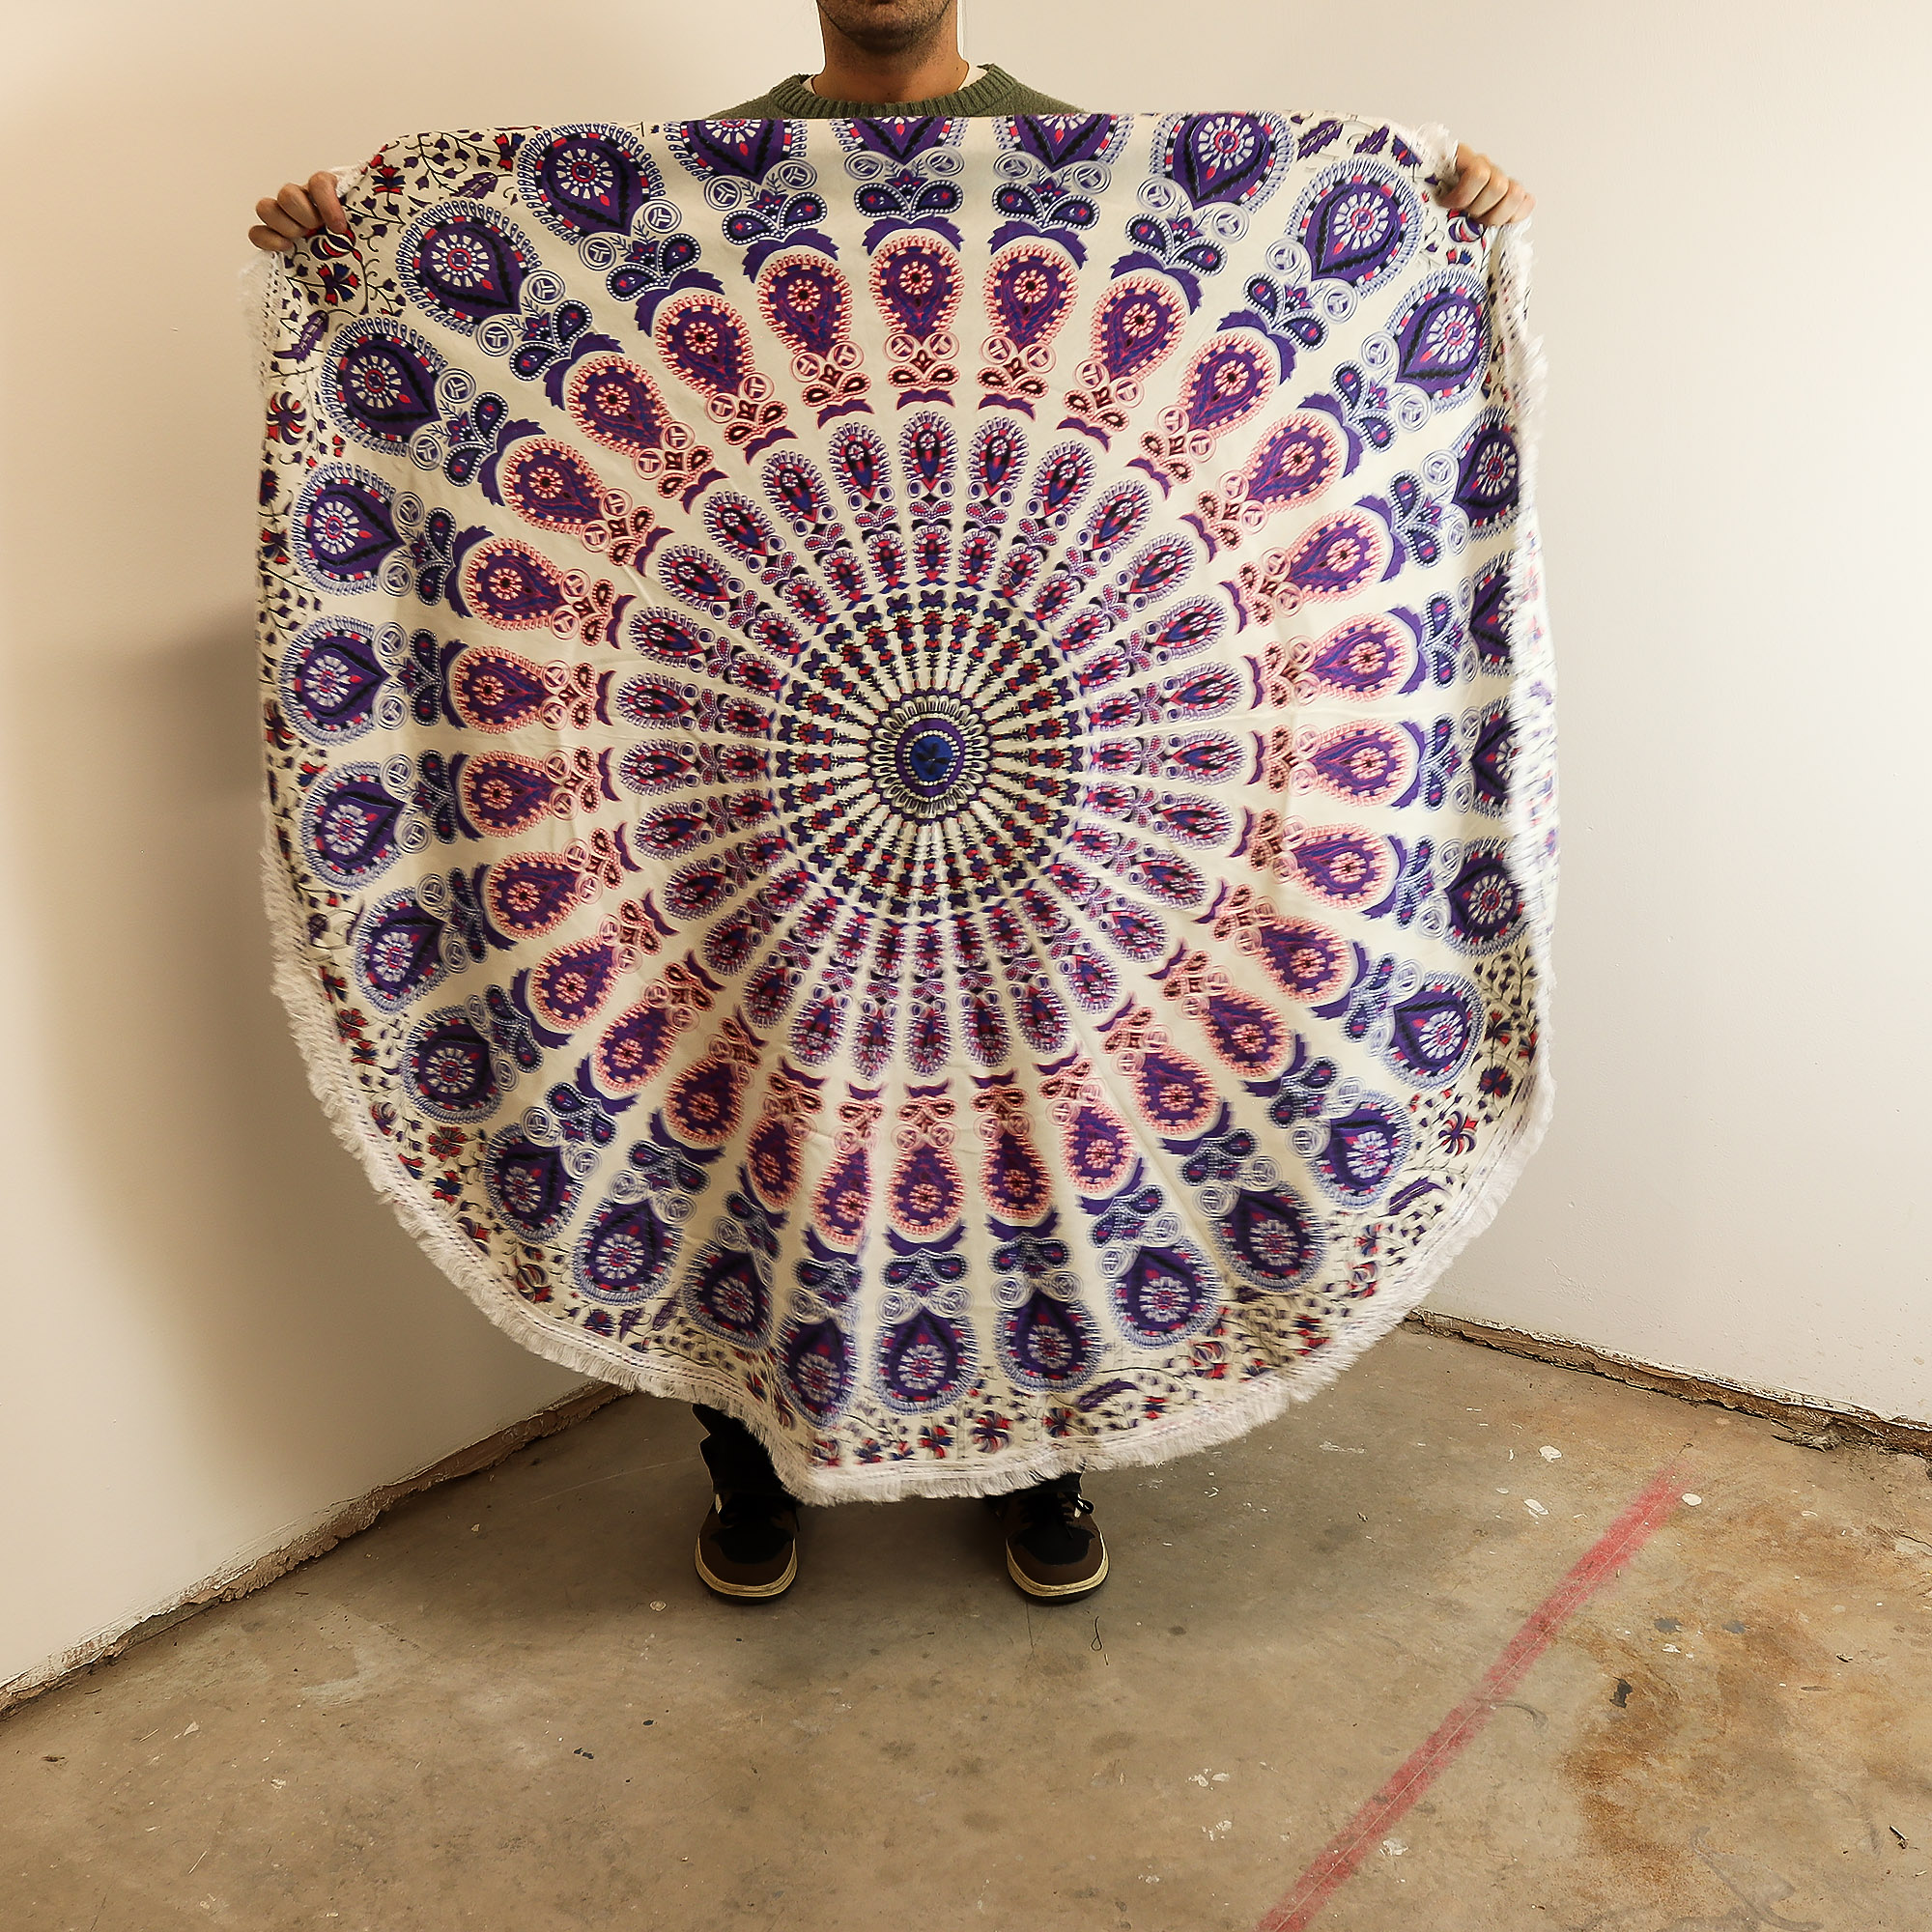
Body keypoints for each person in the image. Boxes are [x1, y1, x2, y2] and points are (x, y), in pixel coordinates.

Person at [245, 0, 1534, 1606]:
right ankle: (749, 1465)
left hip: (1066, 793)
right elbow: (578, 427)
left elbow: (1217, 422)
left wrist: (1439, 227)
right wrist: (351, 258)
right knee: (739, 1099)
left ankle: (1043, 1456)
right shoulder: (705, 185)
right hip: (747, 779)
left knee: (1043, 1102)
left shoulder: (1085, 168)